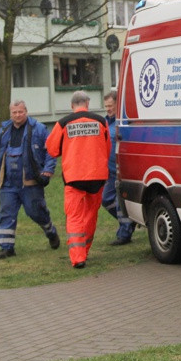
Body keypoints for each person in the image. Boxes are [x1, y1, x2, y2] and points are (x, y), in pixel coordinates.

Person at [45, 91, 111, 269]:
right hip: (97, 176)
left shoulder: (63, 123)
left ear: (72, 105)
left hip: (74, 177)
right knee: (91, 214)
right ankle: (86, 250)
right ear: (87, 104)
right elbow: (107, 148)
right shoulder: (101, 121)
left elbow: (51, 149)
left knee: (74, 216)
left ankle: (78, 257)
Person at [0, 100, 60, 259]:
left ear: (26, 111)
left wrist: (48, 170)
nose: (17, 115)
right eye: (14, 112)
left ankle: (51, 232)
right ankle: (7, 248)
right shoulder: (4, 130)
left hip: (30, 180)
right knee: (6, 213)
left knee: (35, 212)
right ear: (10, 113)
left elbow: (51, 151)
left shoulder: (39, 129)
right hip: (8, 182)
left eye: (20, 112)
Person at [101, 90, 135, 245]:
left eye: (111, 105)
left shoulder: (123, 123)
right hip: (108, 171)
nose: (108, 109)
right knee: (106, 200)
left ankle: (124, 234)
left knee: (119, 201)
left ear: (117, 104)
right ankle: (130, 220)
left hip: (121, 169)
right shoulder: (103, 123)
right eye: (106, 106)